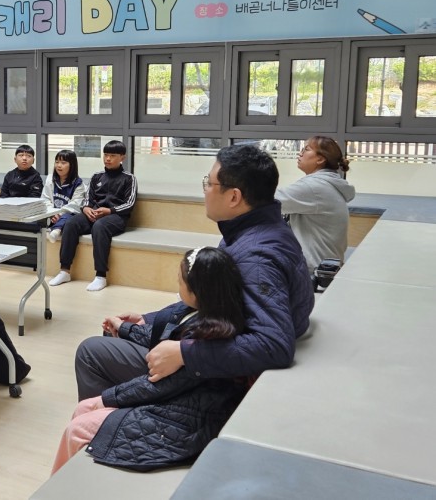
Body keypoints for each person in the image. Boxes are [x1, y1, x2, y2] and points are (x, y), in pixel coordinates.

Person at [74, 143, 314, 400]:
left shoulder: (255, 256)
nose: (205, 190)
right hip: (215, 339)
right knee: (115, 332)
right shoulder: (257, 231)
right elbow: (211, 299)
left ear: (234, 197)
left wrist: (184, 353)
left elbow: (273, 345)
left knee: (91, 352)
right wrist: (149, 319)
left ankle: (104, 414)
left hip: (217, 375)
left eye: (209, 183)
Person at [52, 247, 249, 473]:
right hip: (177, 401)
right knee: (83, 409)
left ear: (197, 291)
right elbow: (164, 338)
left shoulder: (205, 341)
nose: (177, 285)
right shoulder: (204, 315)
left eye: (180, 281)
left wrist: (106, 399)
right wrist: (125, 329)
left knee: (77, 429)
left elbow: (158, 384)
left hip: (184, 419)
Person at [48, 140, 137, 292]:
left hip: (116, 217)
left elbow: (129, 204)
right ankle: (64, 271)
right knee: (71, 223)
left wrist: (109, 211)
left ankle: (101, 276)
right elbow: (87, 199)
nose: (107, 158)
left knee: (99, 227)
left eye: (112, 155)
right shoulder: (97, 176)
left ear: (122, 157)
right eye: (106, 155)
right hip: (93, 213)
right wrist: (86, 208)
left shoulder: (129, 178)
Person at [275, 136, 355, 277]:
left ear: (320, 159)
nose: (300, 153)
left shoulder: (315, 187)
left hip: (312, 274)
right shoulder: (326, 183)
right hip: (322, 268)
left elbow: (265, 200)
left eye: (306, 149)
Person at [42, 149, 86, 243]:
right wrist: (52, 214)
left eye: (63, 163)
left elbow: (75, 205)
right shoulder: (50, 179)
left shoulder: (79, 184)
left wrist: (59, 214)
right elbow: (45, 199)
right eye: (57, 162)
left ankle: (56, 230)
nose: (59, 165)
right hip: (51, 213)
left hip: (66, 214)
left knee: (69, 217)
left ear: (72, 165)